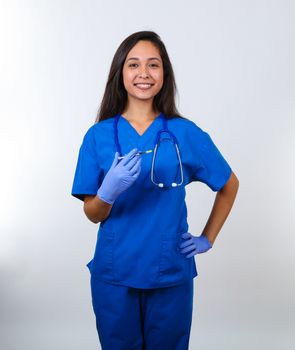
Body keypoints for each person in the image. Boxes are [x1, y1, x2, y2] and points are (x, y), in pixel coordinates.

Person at [71, 30, 239, 350]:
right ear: (120, 73)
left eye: (154, 65)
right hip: (114, 273)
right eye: (134, 65)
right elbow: (92, 214)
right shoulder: (98, 136)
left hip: (170, 272)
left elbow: (229, 185)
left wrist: (207, 238)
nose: (144, 74)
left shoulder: (185, 133)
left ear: (165, 74)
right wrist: (107, 193)